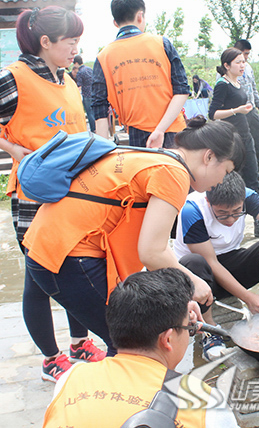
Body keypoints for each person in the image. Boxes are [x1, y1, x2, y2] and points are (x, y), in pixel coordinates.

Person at [0, 6, 105, 382]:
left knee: (74, 268)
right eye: (70, 41)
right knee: (38, 278)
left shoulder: (68, 80)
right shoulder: (15, 77)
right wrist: (11, 148)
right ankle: (51, 359)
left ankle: (79, 343)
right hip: (35, 196)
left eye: (78, 42)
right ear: (46, 41)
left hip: (73, 194)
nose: (75, 49)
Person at [23, 118, 242, 365]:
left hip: (45, 238)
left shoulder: (155, 157)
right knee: (131, 344)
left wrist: (178, 296)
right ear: (209, 157)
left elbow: (153, 246)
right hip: (69, 255)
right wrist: (193, 282)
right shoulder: (174, 173)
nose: (221, 181)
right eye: (226, 171)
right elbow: (152, 252)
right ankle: (124, 391)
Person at [43, 268, 237, 428]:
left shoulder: (72, 378)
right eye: (189, 329)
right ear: (167, 339)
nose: (190, 331)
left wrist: (181, 316)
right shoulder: (204, 404)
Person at [174, 172, 259, 360]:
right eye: (222, 214)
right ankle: (210, 330)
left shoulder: (245, 196)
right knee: (195, 262)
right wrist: (248, 297)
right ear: (208, 202)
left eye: (237, 212)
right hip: (198, 278)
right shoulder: (192, 210)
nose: (231, 219)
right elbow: (211, 262)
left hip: (230, 262)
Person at [92, 0, 189, 148]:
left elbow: (99, 107)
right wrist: (160, 130)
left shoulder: (104, 57)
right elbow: (182, 90)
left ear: (115, 22)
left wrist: (102, 150)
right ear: (140, 16)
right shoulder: (162, 44)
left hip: (137, 134)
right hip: (172, 130)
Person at [209, 48, 259, 236]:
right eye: (238, 62)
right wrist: (236, 110)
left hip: (245, 136)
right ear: (226, 65)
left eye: (243, 62)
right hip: (231, 141)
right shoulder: (222, 84)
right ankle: (230, 225)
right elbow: (213, 114)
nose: (242, 65)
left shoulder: (238, 82)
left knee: (253, 177)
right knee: (233, 181)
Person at [233, 39, 259, 189]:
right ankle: (241, 180)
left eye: (247, 55)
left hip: (251, 110)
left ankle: (255, 175)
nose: (246, 58)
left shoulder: (248, 68)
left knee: (257, 145)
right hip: (238, 114)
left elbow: (253, 88)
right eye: (244, 54)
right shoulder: (226, 71)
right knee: (241, 148)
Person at [73, 55, 95, 132]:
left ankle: (93, 129)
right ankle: (97, 129)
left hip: (86, 95)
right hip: (93, 93)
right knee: (94, 113)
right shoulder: (89, 69)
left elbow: (79, 85)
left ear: (76, 63)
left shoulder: (80, 72)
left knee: (89, 113)